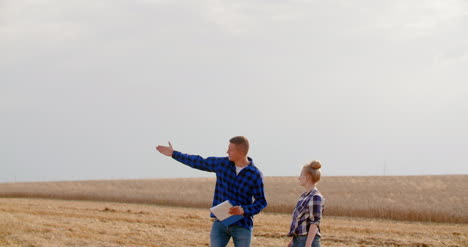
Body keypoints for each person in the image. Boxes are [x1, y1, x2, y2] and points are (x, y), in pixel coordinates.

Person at [155, 136, 267, 247]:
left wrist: (244, 210)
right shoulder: (222, 164)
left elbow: (261, 202)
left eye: (230, 149)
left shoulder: (255, 174)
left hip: (242, 225)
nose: (227, 151)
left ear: (241, 152)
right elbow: (198, 161)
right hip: (220, 223)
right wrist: (174, 154)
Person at [287, 160, 325, 247]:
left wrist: (308, 244)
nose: (299, 178)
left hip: (307, 241)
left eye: (301, 175)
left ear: (307, 177)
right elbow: (300, 222)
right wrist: (293, 241)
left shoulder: (315, 197)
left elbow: (314, 223)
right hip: (298, 240)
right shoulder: (304, 196)